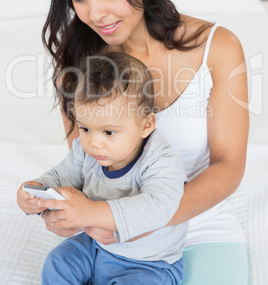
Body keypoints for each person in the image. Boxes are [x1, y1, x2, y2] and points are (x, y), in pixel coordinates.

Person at [40, 0, 249, 284]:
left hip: (199, 227)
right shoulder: (78, 65)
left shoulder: (218, 49)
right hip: (109, 240)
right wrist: (64, 210)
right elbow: (87, 161)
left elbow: (228, 165)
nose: (95, 13)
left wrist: (144, 220)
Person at [17, 52, 187, 284]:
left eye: (109, 132)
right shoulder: (86, 151)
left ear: (146, 124)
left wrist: (91, 212)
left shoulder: (161, 159)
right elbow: (61, 176)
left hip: (149, 263)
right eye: (85, 128)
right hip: (94, 245)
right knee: (58, 262)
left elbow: (159, 206)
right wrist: (36, 192)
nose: (93, 142)